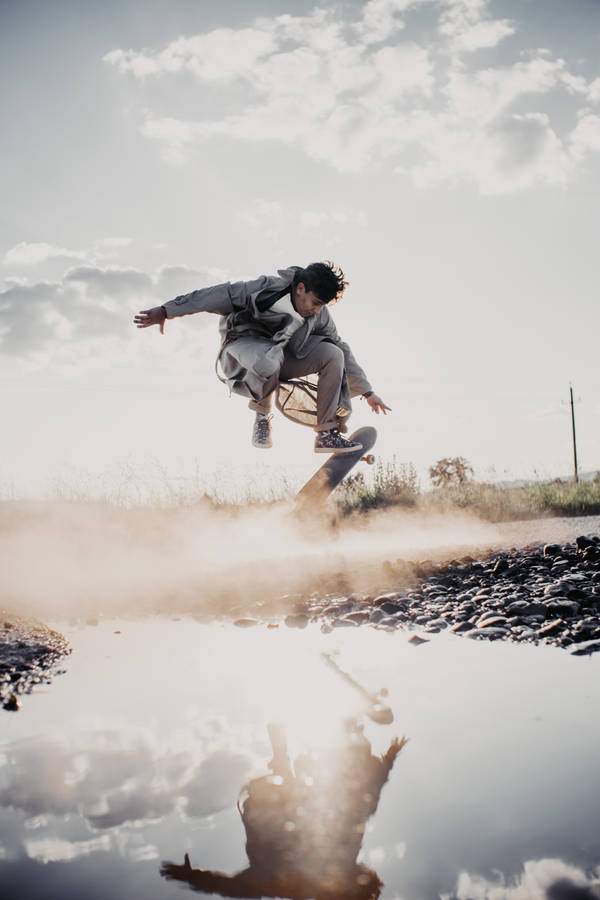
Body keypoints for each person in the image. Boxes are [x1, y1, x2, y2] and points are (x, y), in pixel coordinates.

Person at [134, 261, 390, 454]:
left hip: (282, 358)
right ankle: (261, 415)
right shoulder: (261, 290)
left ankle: (326, 434)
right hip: (244, 349)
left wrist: (368, 392)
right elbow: (213, 295)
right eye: (315, 302)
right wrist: (167, 310)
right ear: (300, 288)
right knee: (270, 357)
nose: (317, 310)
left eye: (323, 305)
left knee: (333, 353)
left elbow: (341, 347)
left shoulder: (319, 315)